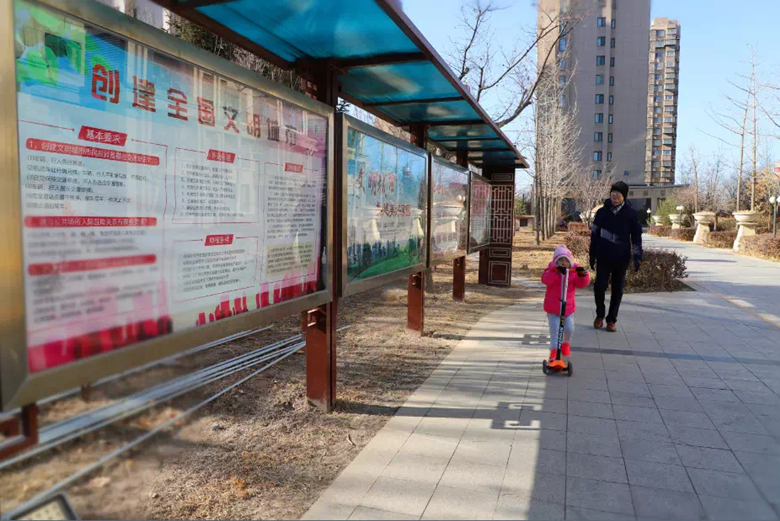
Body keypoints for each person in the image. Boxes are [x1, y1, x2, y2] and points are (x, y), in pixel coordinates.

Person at [589, 181, 643, 332]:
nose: (614, 195)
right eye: (613, 192)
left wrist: (637, 256)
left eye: (618, 193)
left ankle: (611, 320)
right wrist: (592, 254)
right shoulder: (601, 212)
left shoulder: (631, 214)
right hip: (603, 256)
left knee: (617, 290)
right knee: (599, 287)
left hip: (621, 257)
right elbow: (594, 235)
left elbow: (636, 237)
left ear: (624, 195)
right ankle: (600, 315)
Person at [541, 245, 590, 362]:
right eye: (560, 260)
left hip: (567, 309)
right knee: (555, 329)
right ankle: (554, 350)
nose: (563, 263)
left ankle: (565, 344)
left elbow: (582, 284)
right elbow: (546, 280)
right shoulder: (550, 271)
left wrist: (583, 275)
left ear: (570, 262)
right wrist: (554, 271)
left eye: (566, 260)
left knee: (569, 329)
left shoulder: (573, 273)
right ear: (555, 261)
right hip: (553, 308)